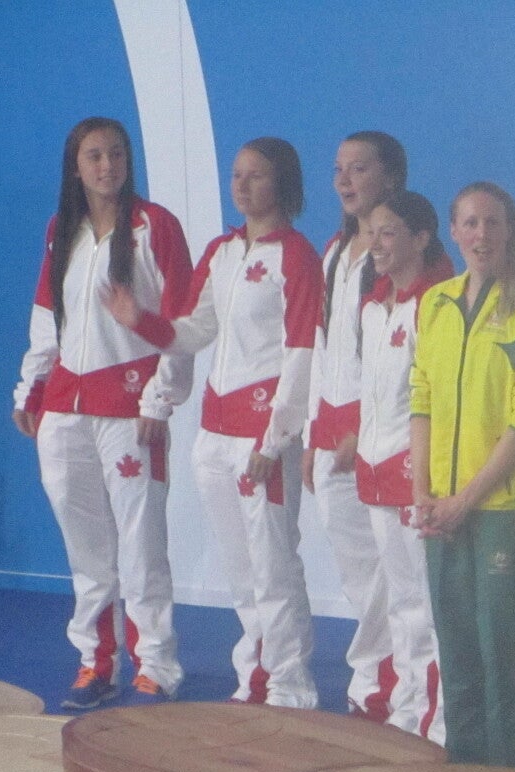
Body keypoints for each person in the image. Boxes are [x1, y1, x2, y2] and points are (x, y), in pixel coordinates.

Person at [105, 137, 321, 708]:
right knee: (241, 571)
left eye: (256, 176)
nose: (241, 186)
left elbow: (302, 351)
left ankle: (290, 687)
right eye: (236, 175)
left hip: (260, 436)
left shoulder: (297, 256)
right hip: (214, 434)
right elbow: (193, 329)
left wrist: (275, 438)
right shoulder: (222, 252)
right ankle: (255, 677)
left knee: (274, 566)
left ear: (283, 184)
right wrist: (141, 322)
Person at [15, 117, 193, 710]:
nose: (107, 165)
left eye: (116, 153)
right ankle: (96, 663)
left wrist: (160, 398)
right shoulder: (61, 229)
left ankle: (156, 666)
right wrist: (31, 389)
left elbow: (181, 319)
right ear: (76, 166)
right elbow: (48, 314)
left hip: (130, 407)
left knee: (141, 545)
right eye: (94, 155)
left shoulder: (155, 226)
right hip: (66, 408)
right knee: (86, 550)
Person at [411, 182, 515, 768]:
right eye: (471, 223)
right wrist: (423, 494)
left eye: (493, 223)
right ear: (453, 231)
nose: (482, 234)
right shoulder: (436, 304)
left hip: (503, 510)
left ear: (511, 231)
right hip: (442, 509)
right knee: (456, 651)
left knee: (505, 653)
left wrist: (467, 499)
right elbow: (421, 400)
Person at [303, 131, 406, 720]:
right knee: (358, 570)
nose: (344, 180)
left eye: (359, 169)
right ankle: (373, 679)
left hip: (380, 436)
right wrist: (313, 435)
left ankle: (395, 684)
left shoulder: (408, 254)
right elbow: (322, 349)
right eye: (338, 169)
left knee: (393, 570)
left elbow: (406, 365)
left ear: (390, 176)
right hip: (332, 434)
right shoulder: (335, 253)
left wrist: (363, 430)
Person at [354, 190, 454, 743]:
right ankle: (409, 706)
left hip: (414, 476)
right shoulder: (373, 307)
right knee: (400, 602)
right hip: (374, 473)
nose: (376, 244)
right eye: (371, 233)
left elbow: (435, 401)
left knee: (429, 604)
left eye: (388, 232)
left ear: (421, 237)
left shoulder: (435, 305)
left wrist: (427, 478)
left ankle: (440, 721)